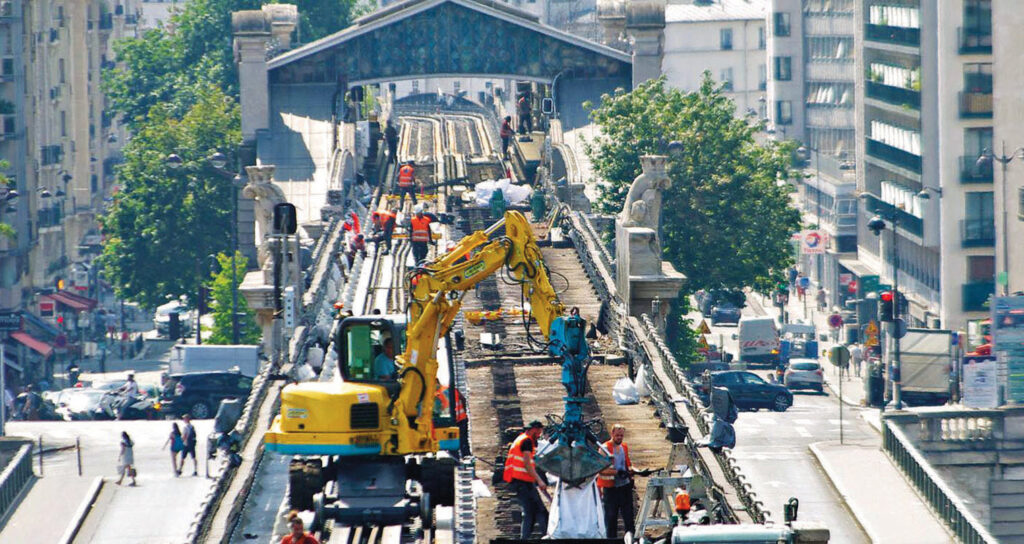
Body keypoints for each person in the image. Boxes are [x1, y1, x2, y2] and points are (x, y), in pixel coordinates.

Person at [503, 420, 548, 539]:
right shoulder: (526, 441)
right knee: (539, 511)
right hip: (522, 481)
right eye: (538, 431)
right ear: (533, 429)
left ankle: (526, 537)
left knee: (531, 512)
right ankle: (547, 536)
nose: (539, 435)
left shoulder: (521, 439)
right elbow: (527, 464)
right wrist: (539, 480)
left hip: (520, 481)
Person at [598, 424, 638, 539]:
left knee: (629, 517)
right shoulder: (604, 448)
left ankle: (630, 539)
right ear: (612, 434)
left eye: (621, 436)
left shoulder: (624, 447)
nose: (619, 438)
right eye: (617, 435)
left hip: (624, 487)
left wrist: (633, 473)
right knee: (611, 519)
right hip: (611, 489)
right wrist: (617, 473)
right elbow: (601, 470)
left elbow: (627, 464)